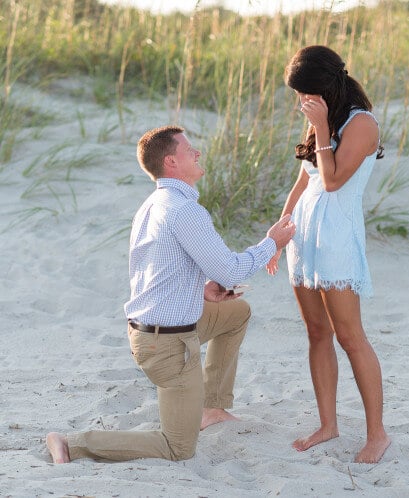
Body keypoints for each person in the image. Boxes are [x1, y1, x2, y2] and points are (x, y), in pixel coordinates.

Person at [45, 126, 295, 463]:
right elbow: (232, 271)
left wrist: (202, 288)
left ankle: (212, 407)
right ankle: (72, 443)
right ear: (171, 162)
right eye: (190, 149)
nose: (198, 153)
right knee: (178, 448)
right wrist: (272, 243)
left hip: (155, 329)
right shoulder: (183, 210)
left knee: (237, 314)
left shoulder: (156, 203)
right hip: (167, 346)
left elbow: (161, 267)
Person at [267, 45, 390, 464]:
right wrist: (279, 232)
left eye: (306, 93)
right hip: (304, 240)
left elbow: (334, 181)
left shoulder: (361, 124)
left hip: (336, 239)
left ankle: (377, 434)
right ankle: (328, 424)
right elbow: (304, 181)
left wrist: (320, 127)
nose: (302, 102)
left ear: (325, 87)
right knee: (317, 334)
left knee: (350, 337)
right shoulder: (324, 119)